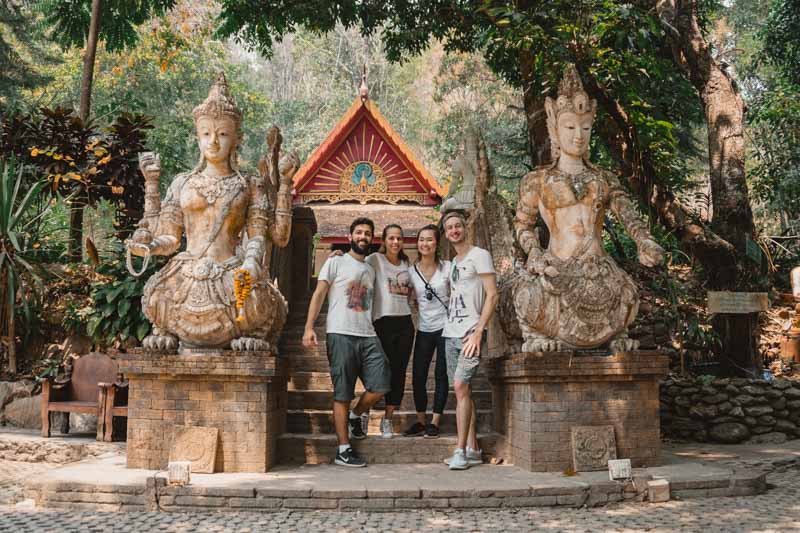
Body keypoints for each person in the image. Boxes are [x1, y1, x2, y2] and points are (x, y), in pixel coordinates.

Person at [302, 218, 391, 467]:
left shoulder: (371, 268)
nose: (363, 236)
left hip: (368, 334)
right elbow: (319, 293)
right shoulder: (336, 261)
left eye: (368, 233)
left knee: (382, 383)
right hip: (340, 333)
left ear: (372, 239)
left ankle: (356, 414)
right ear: (350, 236)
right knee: (342, 393)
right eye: (359, 232)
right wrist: (308, 327)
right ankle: (343, 449)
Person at [440, 211, 498, 470]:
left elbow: (492, 295)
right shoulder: (454, 262)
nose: (454, 231)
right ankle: (473, 448)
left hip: (470, 333)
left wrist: (478, 332)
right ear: (446, 233)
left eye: (458, 226)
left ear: (465, 228)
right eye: (449, 228)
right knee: (461, 391)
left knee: (461, 385)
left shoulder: (480, 255)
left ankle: (460, 451)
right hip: (450, 332)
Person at [364, 224, 414, 438]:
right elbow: (355, 266)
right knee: (377, 371)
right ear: (384, 240)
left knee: (399, 372)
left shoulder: (407, 263)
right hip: (382, 322)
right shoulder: (374, 259)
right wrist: (337, 256)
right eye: (391, 238)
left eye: (399, 238)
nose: (395, 242)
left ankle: (388, 420)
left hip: (405, 323)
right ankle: (363, 412)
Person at [403, 224, 450, 439]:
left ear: (437, 242)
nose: (425, 243)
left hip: (446, 328)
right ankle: (421, 421)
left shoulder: (448, 267)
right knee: (418, 375)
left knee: (441, 374)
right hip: (424, 328)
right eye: (421, 239)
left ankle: (435, 422)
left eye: (429, 239)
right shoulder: (411, 272)